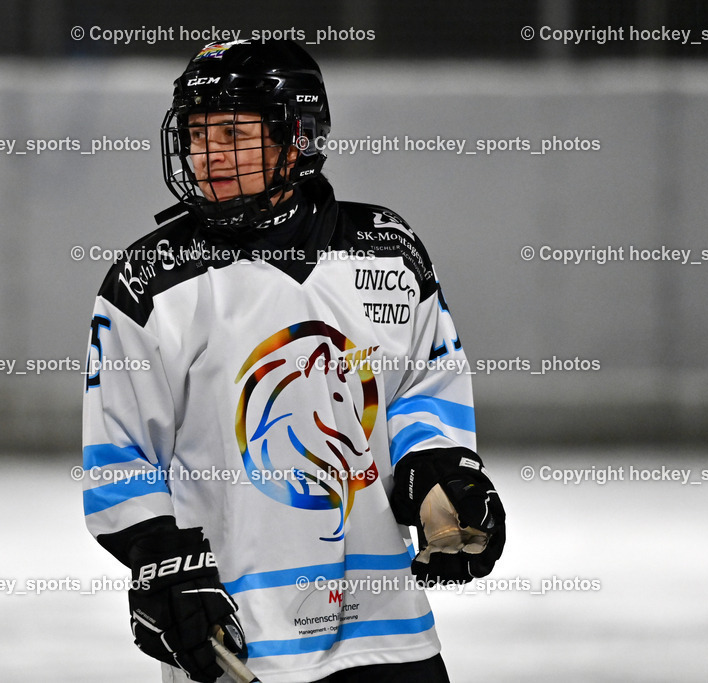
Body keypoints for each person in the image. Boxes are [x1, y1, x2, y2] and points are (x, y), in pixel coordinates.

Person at [82, 39, 505, 683]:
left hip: (388, 633)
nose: (208, 155)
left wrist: (440, 475)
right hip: (242, 635)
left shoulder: (388, 250)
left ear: (297, 137)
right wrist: (161, 561)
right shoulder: (151, 280)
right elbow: (119, 453)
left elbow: (422, 389)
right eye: (196, 135)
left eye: (232, 133)